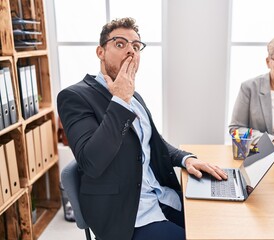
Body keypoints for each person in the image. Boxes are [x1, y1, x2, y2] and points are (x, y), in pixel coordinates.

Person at [57, 17, 227, 240]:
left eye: (136, 47)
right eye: (120, 44)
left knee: (219, 224)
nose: (131, 51)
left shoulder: (134, 96)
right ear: (100, 51)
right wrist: (119, 100)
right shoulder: (75, 97)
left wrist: (187, 159)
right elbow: (91, 162)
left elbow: (153, 143)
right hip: (125, 215)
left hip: (158, 197)